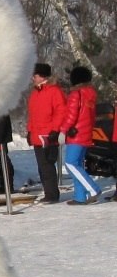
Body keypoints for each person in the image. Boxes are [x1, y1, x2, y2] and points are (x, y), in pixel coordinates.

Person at [59, 65, 102, 205]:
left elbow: (71, 116)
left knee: (70, 163)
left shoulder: (75, 95)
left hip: (76, 134)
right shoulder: (90, 94)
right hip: (86, 133)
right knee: (78, 165)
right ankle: (80, 196)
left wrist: (63, 130)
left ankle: (93, 189)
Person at [26, 61, 67, 204]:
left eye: (35, 75)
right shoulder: (35, 93)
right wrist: (29, 131)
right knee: (42, 166)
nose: (33, 78)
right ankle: (48, 192)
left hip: (48, 134)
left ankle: (52, 194)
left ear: (42, 76)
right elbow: (32, 115)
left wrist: (55, 130)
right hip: (37, 134)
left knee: (48, 166)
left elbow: (61, 111)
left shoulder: (54, 91)